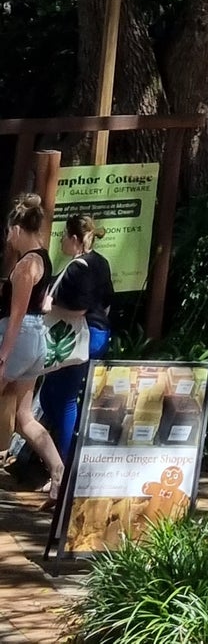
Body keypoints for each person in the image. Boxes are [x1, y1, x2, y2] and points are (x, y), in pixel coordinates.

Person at [0, 199, 65, 506]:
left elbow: (17, 314)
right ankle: (57, 469)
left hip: (19, 337)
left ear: (16, 228)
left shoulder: (27, 264)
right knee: (24, 416)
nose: (7, 238)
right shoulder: (44, 258)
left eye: (8, 232)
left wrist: (3, 356)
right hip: (35, 338)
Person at [38, 212, 113, 469]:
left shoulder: (75, 269)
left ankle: (67, 465)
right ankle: (56, 457)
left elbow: (79, 309)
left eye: (63, 236)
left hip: (79, 336)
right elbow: (107, 302)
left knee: (66, 398)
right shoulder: (101, 263)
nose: (60, 241)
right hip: (100, 333)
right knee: (50, 394)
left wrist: (50, 308)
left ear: (74, 238)